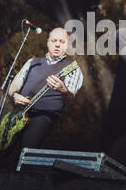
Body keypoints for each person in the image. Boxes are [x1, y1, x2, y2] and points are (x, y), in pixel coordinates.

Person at [7, 27, 83, 157]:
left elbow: (70, 99)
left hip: (43, 116)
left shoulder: (73, 69)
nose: (57, 44)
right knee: (7, 154)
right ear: (48, 42)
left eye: (62, 41)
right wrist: (14, 95)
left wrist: (63, 89)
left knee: (25, 154)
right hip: (18, 114)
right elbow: (14, 85)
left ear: (68, 45)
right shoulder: (32, 62)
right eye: (54, 40)